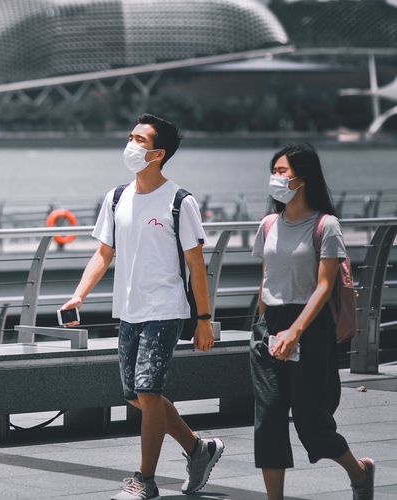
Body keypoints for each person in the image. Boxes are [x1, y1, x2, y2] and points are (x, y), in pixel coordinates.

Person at [61, 114, 224, 500]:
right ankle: (199, 449)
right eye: (131, 136)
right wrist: (78, 295)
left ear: (158, 153)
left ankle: (145, 481)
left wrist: (203, 319)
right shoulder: (117, 197)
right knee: (134, 395)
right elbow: (103, 253)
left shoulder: (179, 202)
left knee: (149, 392)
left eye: (140, 139)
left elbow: (196, 265)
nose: (131, 144)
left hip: (166, 309)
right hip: (129, 310)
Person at [250, 143, 375, 500]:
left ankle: (359, 471)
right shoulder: (268, 224)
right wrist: (262, 326)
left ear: (303, 178)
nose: (276, 177)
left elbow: (324, 286)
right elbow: (266, 277)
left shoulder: (326, 225)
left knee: (312, 423)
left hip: (308, 326)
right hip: (269, 327)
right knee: (268, 420)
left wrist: (296, 330)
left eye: (283, 171)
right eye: (273, 170)